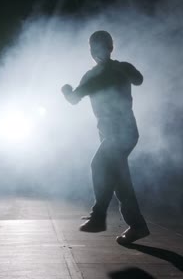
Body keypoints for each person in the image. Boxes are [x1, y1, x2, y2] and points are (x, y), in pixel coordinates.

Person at [61, 30, 149, 244]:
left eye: (101, 46)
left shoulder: (116, 69)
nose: (96, 51)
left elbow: (138, 79)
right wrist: (67, 92)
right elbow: (74, 99)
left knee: (99, 164)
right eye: (93, 47)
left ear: (110, 48)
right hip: (112, 135)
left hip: (124, 133)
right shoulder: (92, 76)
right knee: (120, 181)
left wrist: (66, 91)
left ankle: (98, 215)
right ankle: (137, 226)